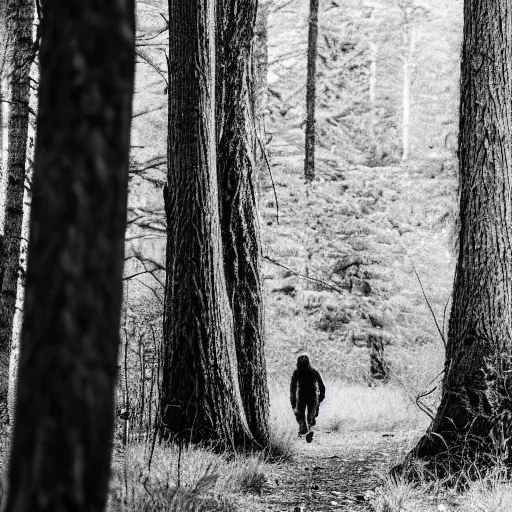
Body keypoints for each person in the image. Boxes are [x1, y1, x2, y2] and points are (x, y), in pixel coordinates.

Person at [290, 354, 325, 441]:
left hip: (302, 395)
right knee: (311, 415)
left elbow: (292, 388)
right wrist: (321, 397)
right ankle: (309, 429)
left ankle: (304, 428)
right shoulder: (313, 371)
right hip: (312, 395)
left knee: (300, 414)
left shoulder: (297, 372)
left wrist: (293, 402)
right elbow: (321, 386)